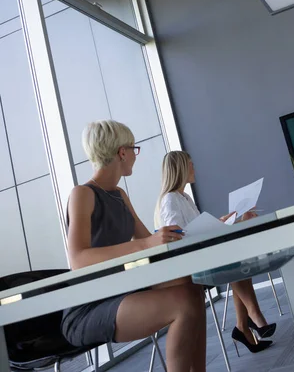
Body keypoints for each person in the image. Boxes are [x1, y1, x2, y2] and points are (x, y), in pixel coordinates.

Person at [62, 120, 207, 372]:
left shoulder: (119, 195)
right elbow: (78, 260)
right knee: (184, 303)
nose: (134, 156)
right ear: (122, 152)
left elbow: (147, 242)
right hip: (89, 308)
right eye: (134, 149)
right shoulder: (82, 194)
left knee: (193, 287)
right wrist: (145, 244)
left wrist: (170, 237)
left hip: (122, 290)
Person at [155, 151, 275, 354]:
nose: (194, 169)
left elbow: (195, 228)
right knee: (234, 261)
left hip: (202, 255)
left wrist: (224, 220)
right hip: (188, 266)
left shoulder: (184, 197)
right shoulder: (169, 200)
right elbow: (176, 236)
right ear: (181, 169)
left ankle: (243, 326)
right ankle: (253, 316)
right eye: (191, 165)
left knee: (237, 261)